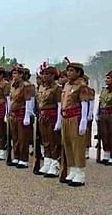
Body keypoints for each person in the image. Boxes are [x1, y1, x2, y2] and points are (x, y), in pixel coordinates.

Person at [61, 57, 90, 187]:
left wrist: (84, 120)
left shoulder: (82, 85)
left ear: (79, 72)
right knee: (67, 143)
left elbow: (84, 103)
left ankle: (80, 172)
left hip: (76, 117)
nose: (69, 73)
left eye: (72, 71)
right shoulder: (67, 85)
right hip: (65, 117)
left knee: (77, 145)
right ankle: (72, 169)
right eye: (68, 71)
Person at [36, 65, 62, 177]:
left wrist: (59, 121)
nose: (44, 76)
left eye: (47, 74)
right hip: (43, 116)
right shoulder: (41, 87)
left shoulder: (57, 88)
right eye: (43, 74)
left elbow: (60, 105)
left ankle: (55, 164)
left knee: (53, 141)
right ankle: (47, 162)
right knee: (45, 140)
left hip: (52, 115)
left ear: (53, 76)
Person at [7, 66, 34, 168]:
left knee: (23, 137)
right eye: (13, 73)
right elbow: (10, 99)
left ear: (21, 75)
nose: (14, 75)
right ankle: (16, 156)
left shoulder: (26, 86)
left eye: (17, 73)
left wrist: (27, 115)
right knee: (15, 137)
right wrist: (8, 112)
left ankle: (23, 159)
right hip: (13, 113)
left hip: (22, 112)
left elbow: (28, 101)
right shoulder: (13, 85)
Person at [97, 71, 112, 165]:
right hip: (103, 114)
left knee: (111, 135)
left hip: (111, 114)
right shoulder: (104, 90)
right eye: (106, 78)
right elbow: (100, 102)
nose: (106, 80)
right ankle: (106, 155)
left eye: (109, 78)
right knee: (104, 135)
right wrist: (98, 114)